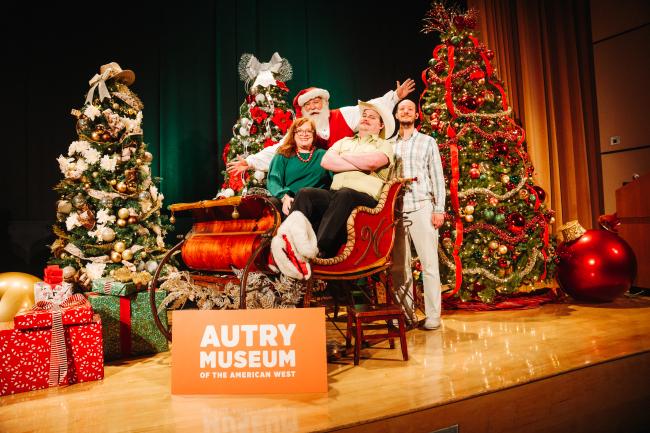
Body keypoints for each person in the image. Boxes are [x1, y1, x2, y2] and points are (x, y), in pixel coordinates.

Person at [269, 100, 395, 279]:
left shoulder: (383, 145)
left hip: (364, 197)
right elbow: (327, 162)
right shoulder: (345, 141)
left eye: (372, 117)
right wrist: (361, 162)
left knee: (346, 194)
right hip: (337, 194)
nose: (365, 119)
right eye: (364, 115)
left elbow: (373, 162)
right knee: (306, 193)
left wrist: (344, 159)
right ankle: (292, 248)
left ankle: (319, 251)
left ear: (381, 124)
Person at [226, 79, 415, 175]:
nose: (313, 107)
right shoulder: (302, 129)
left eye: (316, 102)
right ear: (303, 109)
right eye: (308, 105)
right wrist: (250, 161)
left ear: (324, 103)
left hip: (349, 173)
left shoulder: (343, 115)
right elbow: (279, 149)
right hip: (318, 180)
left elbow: (370, 107)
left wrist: (395, 96)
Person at [390, 99, 445, 331]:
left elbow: (437, 176)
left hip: (422, 205)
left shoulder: (427, 142)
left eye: (410, 109)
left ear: (416, 115)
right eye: (401, 108)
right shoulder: (388, 144)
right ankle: (406, 314)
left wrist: (439, 209)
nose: (405, 111)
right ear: (396, 114)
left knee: (429, 264)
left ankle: (433, 316)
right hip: (396, 210)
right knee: (399, 267)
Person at [266, 118, 331, 218]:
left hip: (314, 201)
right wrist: (284, 197)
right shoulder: (283, 155)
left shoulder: (323, 155)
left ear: (313, 135)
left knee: (304, 193)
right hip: (290, 200)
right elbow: (273, 181)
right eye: (300, 131)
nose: (304, 134)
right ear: (293, 134)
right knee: (273, 203)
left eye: (308, 131)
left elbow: (336, 177)